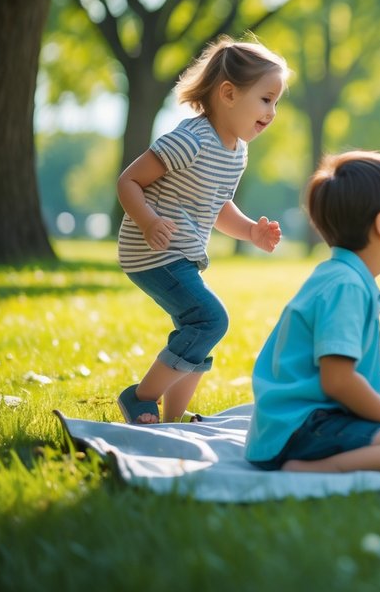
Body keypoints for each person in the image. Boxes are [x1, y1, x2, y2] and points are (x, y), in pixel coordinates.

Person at [115, 35, 287, 425]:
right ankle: (141, 397)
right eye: (265, 99)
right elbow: (129, 181)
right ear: (228, 93)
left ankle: (175, 417)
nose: (272, 111)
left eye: (276, 102)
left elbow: (217, 205)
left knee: (198, 329)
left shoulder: (236, 151)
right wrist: (148, 221)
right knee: (210, 320)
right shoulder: (190, 140)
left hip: (181, 252)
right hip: (151, 250)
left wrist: (250, 232)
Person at [246, 151, 380, 473]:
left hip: (308, 421)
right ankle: (306, 470)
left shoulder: (342, 276)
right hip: (302, 428)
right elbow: (338, 381)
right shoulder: (347, 287)